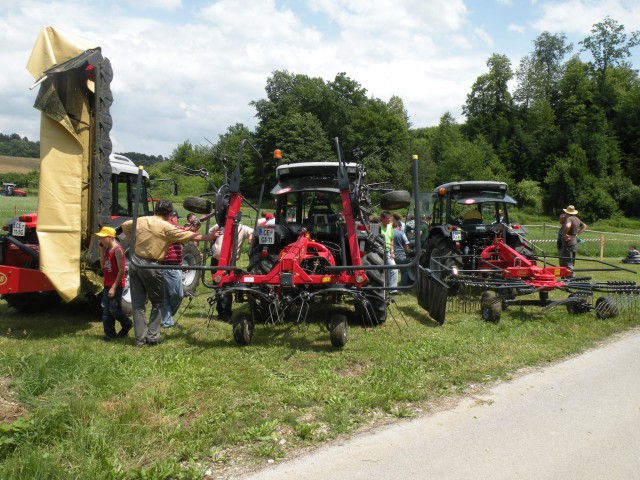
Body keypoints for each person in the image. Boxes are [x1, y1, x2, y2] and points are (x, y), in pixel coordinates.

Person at [121, 200, 218, 347]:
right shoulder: (166, 227)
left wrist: (132, 241)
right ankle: (153, 337)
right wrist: (209, 237)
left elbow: (124, 226)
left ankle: (140, 340)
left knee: (138, 304)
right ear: (168, 214)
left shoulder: (140, 220)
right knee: (159, 302)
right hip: (151, 266)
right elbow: (190, 236)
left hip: (134, 263)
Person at [209, 221, 254, 321]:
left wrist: (251, 237)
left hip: (229, 262)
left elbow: (253, 232)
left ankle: (225, 314)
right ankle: (221, 312)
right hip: (216, 260)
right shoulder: (219, 225)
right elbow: (210, 235)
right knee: (217, 286)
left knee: (226, 287)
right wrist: (212, 239)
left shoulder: (242, 228)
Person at [96, 226, 133, 342]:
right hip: (107, 284)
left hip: (116, 285)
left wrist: (113, 287)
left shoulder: (118, 250)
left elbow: (121, 270)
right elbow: (103, 266)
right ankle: (110, 335)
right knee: (106, 311)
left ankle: (127, 323)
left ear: (110, 237)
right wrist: (101, 251)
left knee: (114, 310)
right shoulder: (107, 249)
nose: (101, 240)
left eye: (103, 238)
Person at [161, 211, 184, 328]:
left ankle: (167, 320)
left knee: (167, 296)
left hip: (174, 265)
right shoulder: (171, 229)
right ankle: (167, 319)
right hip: (169, 266)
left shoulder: (171, 230)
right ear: (172, 218)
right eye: (177, 218)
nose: (178, 220)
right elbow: (185, 232)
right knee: (178, 294)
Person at [560, 205, 587, 272]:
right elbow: (584, 226)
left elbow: (567, 226)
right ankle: (567, 277)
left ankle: (570, 278)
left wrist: (564, 234)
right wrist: (577, 233)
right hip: (574, 242)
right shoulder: (577, 219)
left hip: (568, 243)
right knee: (572, 262)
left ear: (567, 213)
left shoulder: (569, 219)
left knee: (568, 263)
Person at [379, 211, 397, 294]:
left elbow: (391, 239)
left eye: (390, 218)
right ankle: (381, 288)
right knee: (380, 271)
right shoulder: (378, 227)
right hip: (379, 252)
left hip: (388, 252)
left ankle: (392, 290)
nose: (389, 220)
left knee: (393, 268)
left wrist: (392, 251)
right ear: (382, 219)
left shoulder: (390, 227)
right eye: (387, 218)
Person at [392, 220, 410, 289]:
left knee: (391, 271)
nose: (400, 228)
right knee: (404, 271)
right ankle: (404, 287)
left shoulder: (390, 232)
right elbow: (406, 244)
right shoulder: (401, 233)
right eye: (400, 227)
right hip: (401, 255)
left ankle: (391, 287)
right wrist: (407, 253)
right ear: (398, 226)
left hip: (392, 254)